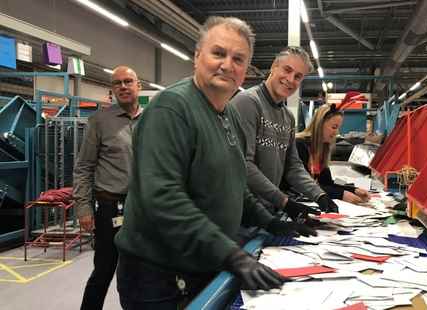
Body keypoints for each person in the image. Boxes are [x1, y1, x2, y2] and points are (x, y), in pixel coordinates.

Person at [114, 16, 315, 309]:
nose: (227, 64)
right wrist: (232, 255)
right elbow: (162, 199)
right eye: (218, 53)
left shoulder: (229, 114)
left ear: (246, 70)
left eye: (238, 59)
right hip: (158, 275)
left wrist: (271, 222)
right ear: (197, 57)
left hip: (201, 261)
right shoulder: (171, 108)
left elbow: (235, 185)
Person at [229, 46, 339, 219]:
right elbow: (244, 165)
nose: (290, 79)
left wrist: (319, 195)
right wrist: (284, 201)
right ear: (274, 66)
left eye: (298, 77)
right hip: (243, 213)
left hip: (269, 211)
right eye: (287, 70)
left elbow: (293, 166)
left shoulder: (287, 117)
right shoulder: (248, 103)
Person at [73, 66, 143, 310]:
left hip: (143, 210)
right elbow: (83, 167)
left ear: (138, 86)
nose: (123, 86)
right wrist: (83, 207)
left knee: (139, 273)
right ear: (112, 90)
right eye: (117, 83)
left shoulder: (152, 119)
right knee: (104, 270)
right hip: (110, 207)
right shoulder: (99, 121)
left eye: (128, 81)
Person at [296, 104, 371, 204]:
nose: (337, 132)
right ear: (320, 124)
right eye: (334, 127)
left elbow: (327, 183)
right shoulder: (300, 145)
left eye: (338, 128)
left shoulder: (323, 148)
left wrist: (353, 189)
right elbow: (303, 187)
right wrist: (341, 194)